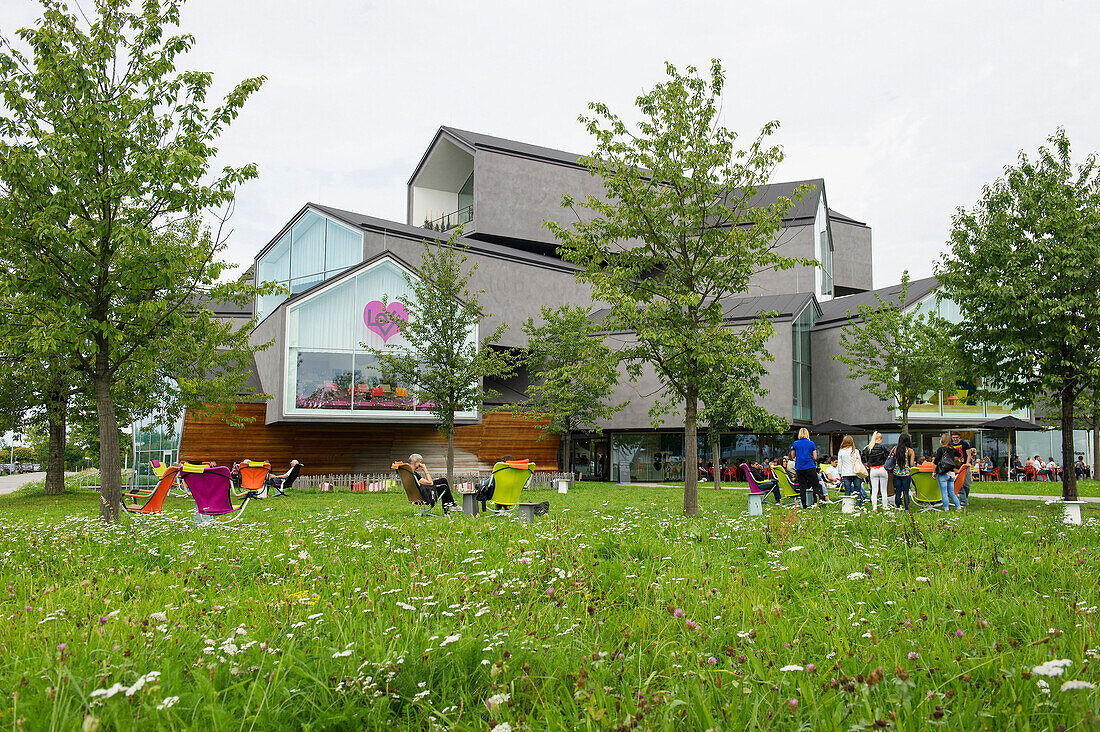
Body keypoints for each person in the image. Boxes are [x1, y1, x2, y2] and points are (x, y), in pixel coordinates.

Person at [790, 428, 825, 508]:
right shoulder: (811, 443)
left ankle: (804, 505)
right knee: (815, 484)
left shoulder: (795, 443)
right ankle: (815, 503)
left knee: (802, 486)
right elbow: (815, 457)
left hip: (799, 467)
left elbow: (792, 456)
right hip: (809, 466)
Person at [933, 434, 963, 511]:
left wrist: (934, 472)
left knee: (944, 492)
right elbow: (959, 454)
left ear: (942, 441)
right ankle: (958, 507)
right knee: (951, 492)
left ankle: (946, 509)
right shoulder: (953, 449)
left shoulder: (940, 449)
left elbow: (936, 462)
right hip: (951, 473)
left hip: (943, 473)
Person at [836, 435, 869, 503]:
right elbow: (859, 462)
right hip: (855, 473)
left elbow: (840, 464)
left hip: (846, 473)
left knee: (847, 490)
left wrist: (840, 474)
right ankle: (858, 504)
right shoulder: (855, 451)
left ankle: (847, 505)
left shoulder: (841, 452)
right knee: (857, 490)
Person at [864, 431, 890, 511]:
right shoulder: (882, 447)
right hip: (882, 469)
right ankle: (885, 506)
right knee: (884, 490)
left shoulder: (868, 448)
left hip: (873, 470)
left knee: (874, 490)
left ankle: (874, 507)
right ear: (879, 439)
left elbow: (867, 460)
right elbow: (889, 455)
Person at [892, 433, 916, 510]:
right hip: (906, 473)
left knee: (898, 491)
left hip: (896, 473)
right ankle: (907, 509)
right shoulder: (910, 451)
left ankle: (898, 507)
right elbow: (911, 464)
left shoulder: (895, 449)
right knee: (906, 492)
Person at [950, 431, 974, 506]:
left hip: (964, 466)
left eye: (956, 438)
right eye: (953, 438)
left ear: (959, 437)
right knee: (959, 483)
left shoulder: (964, 444)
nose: (955, 439)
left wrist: (967, 463)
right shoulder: (951, 445)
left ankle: (965, 497)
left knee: (967, 484)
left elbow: (969, 454)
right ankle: (964, 500)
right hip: (955, 467)